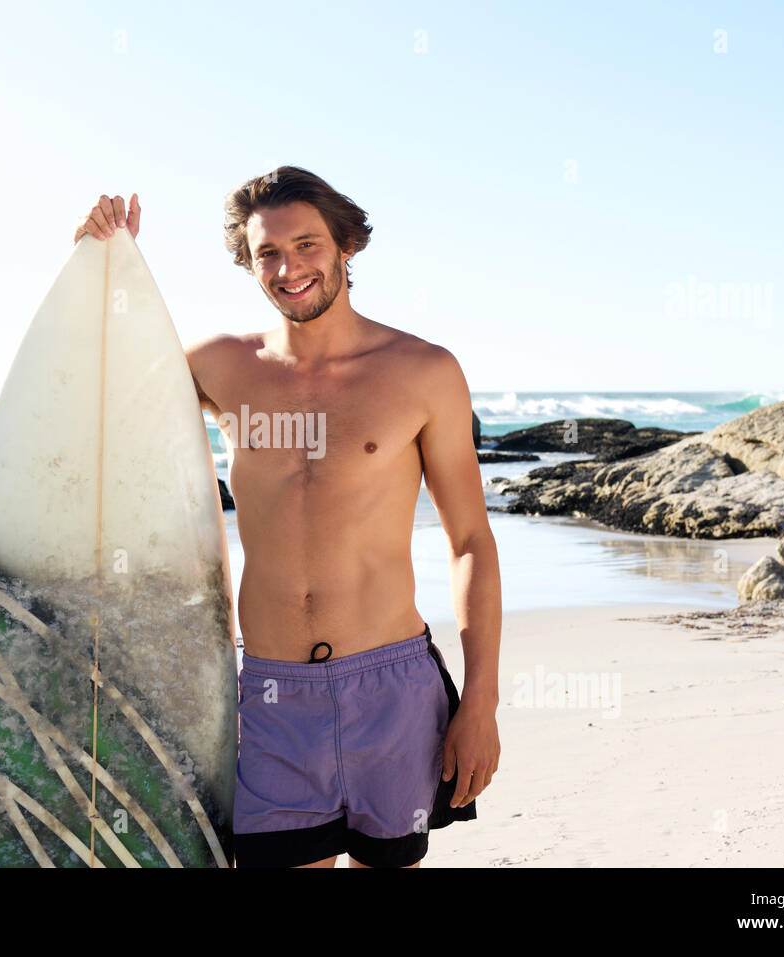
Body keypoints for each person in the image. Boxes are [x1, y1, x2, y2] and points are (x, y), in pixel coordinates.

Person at [73, 167, 501, 868]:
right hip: (270, 694)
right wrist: (105, 264)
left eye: (307, 245)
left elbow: (471, 541)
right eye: (268, 252)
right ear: (249, 261)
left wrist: (479, 699)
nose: (288, 267)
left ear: (345, 247)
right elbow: (106, 394)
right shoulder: (222, 365)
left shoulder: (423, 372)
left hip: (390, 689)